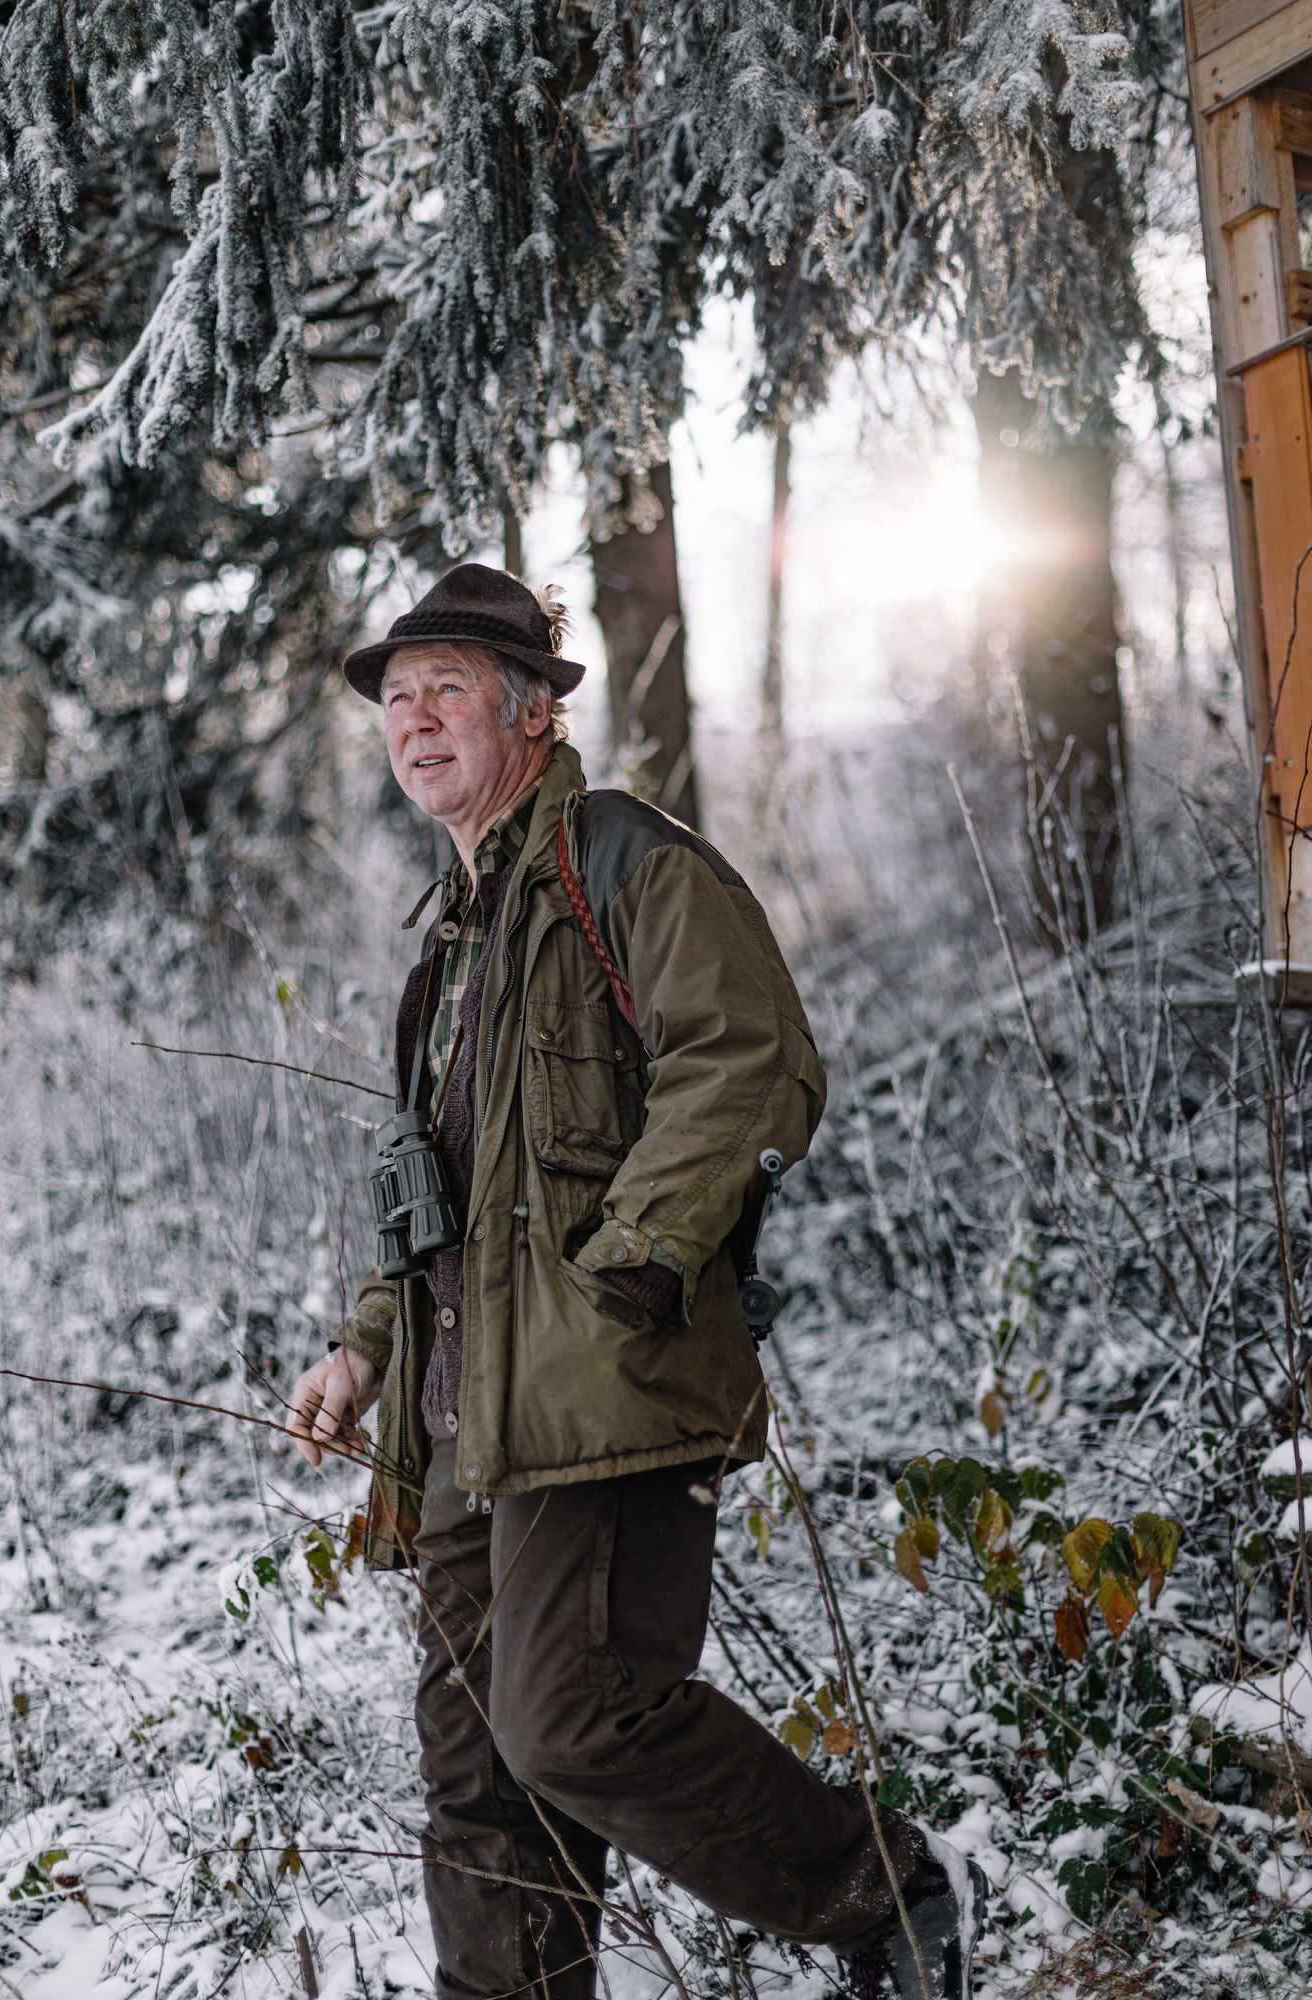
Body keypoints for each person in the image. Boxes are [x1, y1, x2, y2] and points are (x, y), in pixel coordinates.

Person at [285, 563, 987, 2000]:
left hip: (603, 1389)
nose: (413, 724)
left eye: (448, 694)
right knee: (479, 1777)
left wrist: (635, 1264)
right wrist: (364, 1347)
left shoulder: (625, 863)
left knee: (577, 1723)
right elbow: (445, 1199)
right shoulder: (456, 937)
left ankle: (887, 1894)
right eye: (396, 700)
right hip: (468, 1416)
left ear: (530, 714)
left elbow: (749, 1062)